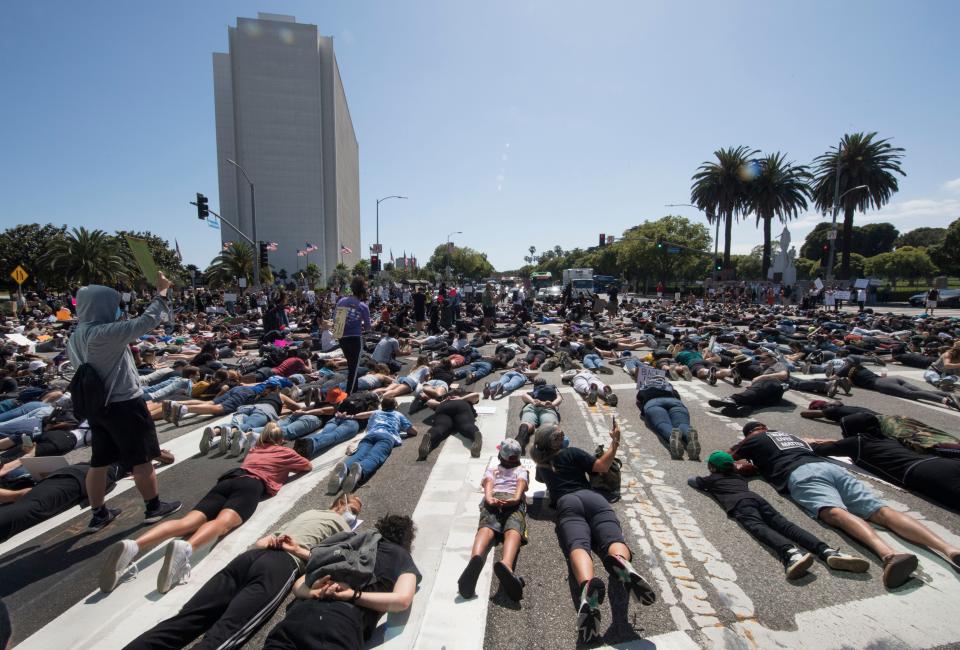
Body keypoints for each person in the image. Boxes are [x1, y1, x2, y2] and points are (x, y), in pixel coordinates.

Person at [731, 421, 960, 588]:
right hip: (830, 468)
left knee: (834, 512)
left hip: (799, 473)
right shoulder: (790, 435)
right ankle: (949, 549)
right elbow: (819, 443)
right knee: (882, 511)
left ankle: (889, 555)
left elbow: (725, 457)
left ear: (750, 432)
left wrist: (745, 463)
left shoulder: (752, 439)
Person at [122, 496, 361, 650]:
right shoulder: (342, 527)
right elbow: (328, 559)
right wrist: (298, 549)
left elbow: (262, 542)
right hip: (280, 566)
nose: (354, 515)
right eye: (354, 509)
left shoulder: (308, 513)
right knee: (224, 636)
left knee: (185, 621)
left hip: (249, 558)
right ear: (340, 505)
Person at [99, 423, 312, 594]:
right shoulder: (284, 451)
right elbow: (306, 466)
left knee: (186, 522)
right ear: (280, 439)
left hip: (229, 479)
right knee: (222, 524)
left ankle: (134, 545)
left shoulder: (256, 450)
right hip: (251, 485)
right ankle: (186, 549)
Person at [68, 275, 181, 533]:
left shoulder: (76, 336)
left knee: (99, 461)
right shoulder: (104, 333)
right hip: (124, 404)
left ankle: (99, 513)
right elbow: (147, 321)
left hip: (97, 407)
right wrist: (162, 292)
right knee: (141, 457)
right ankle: (153, 507)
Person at [531, 423, 656, 642]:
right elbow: (601, 466)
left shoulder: (542, 464)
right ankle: (621, 562)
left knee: (578, 545)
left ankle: (587, 586)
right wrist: (615, 442)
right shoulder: (572, 453)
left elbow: (541, 480)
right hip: (593, 499)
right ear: (557, 440)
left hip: (567, 504)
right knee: (612, 538)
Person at [688, 451, 868, 579]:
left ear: (712, 468)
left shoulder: (711, 480)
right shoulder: (738, 477)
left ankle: (790, 553)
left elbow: (693, 481)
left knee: (758, 527)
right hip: (757, 499)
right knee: (785, 525)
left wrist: (707, 476)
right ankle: (825, 550)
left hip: (739, 504)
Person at [262, 515, 421, 650]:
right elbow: (402, 600)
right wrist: (353, 595)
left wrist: (313, 592)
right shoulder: (401, 556)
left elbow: (299, 584)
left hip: (296, 617)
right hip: (340, 624)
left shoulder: (353, 542)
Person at [810, 413, 960, 510]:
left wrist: (810, 441)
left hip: (921, 472)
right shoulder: (886, 438)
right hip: (942, 462)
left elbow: (818, 449)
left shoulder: (855, 443)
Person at [458, 438, 528, 600]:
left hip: (494, 499)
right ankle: (506, 565)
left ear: (500, 455)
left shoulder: (493, 469)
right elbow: (521, 485)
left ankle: (475, 558)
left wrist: (489, 498)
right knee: (513, 530)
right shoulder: (522, 470)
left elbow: (488, 483)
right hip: (512, 502)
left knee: (486, 528)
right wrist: (515, 499)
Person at [326, 397, 417, 495]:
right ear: (395, 406)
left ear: (382, 406)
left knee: (359, 454)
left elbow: (361, 415)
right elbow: (413, 431)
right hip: (386, 437)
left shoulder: (376, 412)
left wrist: (349, 417)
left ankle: (346, 466)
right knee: (374, 456)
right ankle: (361, 469)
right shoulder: (398, 414)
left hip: (370, 435)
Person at [635, 366, 700, 460]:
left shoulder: (644, 386)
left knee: (663, 423)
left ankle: (671, 435)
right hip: (674, 401)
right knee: (682, 424)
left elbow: (639, 401)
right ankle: (688, 432)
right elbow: (678, 397)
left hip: (653, 403)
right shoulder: (669, 386)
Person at [416, 390, 483, 460]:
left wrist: (442, 402)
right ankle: (476, 435)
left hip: (443, 406)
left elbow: (429, 402)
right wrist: (461, 398)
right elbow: (476, 395)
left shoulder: (444, 397)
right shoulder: (463, 393)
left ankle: (429, 436)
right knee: (466, 424)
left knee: (440, 426)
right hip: (461, 405)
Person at [337, 277, 372, 394]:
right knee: (354, 369)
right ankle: (349, 395)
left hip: (342, 339)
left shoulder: (341, 301)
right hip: (355, 339)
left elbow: (338, 323)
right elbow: (368, 327)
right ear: (362, 291)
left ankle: (353, 391)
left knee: (351, 366)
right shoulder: (363, 306)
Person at [514, 377, 562, 453]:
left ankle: (520, 441)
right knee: (550, 425)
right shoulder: (552, 391)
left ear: (535, 386)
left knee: (527, 423)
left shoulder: (534, 392)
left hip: (533, 406)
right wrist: (552, 404)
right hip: (547, 407)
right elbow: (559, 399)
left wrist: (533, 401)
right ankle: (547, 446)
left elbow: (524, 396)